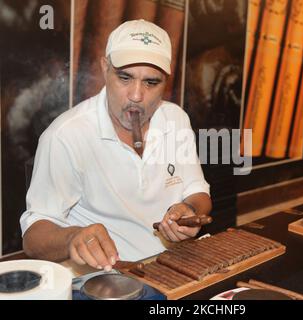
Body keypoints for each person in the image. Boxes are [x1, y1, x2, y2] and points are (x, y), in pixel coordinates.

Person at [20, 20, 212, 272]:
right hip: (102, 282)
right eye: (125, 77)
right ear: (104, 68)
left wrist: (188, 210)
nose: (136, 95)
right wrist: (72, 238)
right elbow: (33, 237)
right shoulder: (66, 135)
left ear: (166, 81)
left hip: (173, 270)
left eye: (151, 82)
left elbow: (198, 192)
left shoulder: (175, 118)